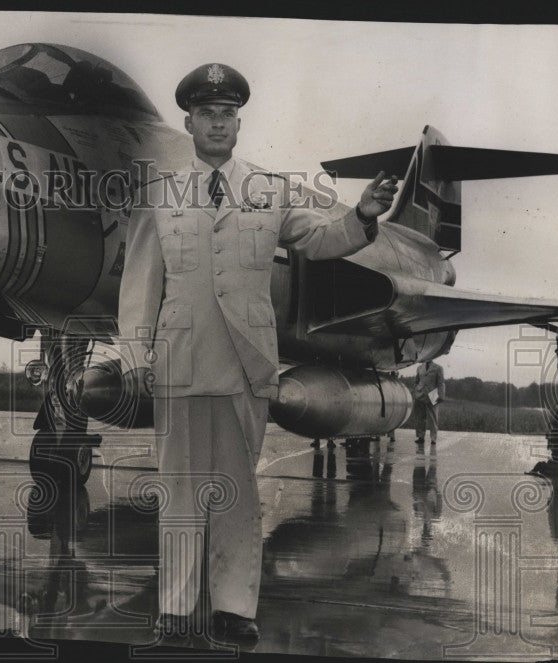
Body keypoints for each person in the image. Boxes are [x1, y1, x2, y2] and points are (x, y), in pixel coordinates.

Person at [117, 62, 398, 647]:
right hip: (179, 365)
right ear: (189, 121)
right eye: (206, 115)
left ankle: (234, 611)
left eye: (227, 115)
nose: (217, 124)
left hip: (246, 366)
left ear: (238, 123)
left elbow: (321, 239)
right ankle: (174, 613)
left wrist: (364, 215)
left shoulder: (269, 192)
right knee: (180, 494)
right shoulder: (160, 196)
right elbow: (139, 286)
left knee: (238, 495)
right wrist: (134, 359)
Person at [411, 360, 445, 445]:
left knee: (433, 417)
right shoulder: (420, 367)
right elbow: (416, 381)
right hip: (420, 394)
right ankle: (420, 437)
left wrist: (441, 396)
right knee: (419, 417)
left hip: (433, 394)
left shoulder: (438, 368)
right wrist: (415, 392)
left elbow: (441, 383)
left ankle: (433, 438)